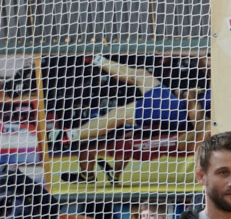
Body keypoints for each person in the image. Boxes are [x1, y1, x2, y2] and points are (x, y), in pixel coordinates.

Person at [52, 55, 209, 184]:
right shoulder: (219, 84)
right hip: (178, 104)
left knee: (121, 115)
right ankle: (95, 58)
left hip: (177, 114)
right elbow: (206, 64)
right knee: (141, 75)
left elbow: (201, 126)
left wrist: (191, 97)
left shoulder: (217, 112)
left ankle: (68, 136)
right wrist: (191, 56)